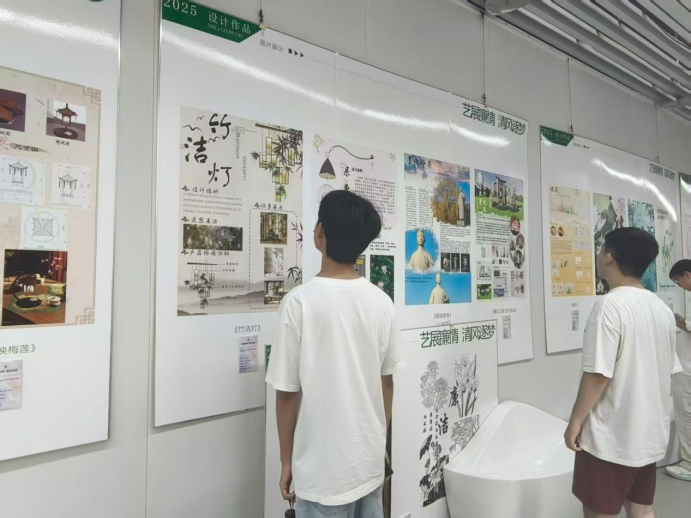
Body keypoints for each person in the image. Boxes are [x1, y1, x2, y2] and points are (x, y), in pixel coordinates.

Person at [266, 190, 400, 517]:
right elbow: (386, 383)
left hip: (321, 474)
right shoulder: (382, 302)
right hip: (369, 465)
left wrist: (286, 461)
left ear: (320, 233)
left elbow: (287, 394)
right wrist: (377, 442)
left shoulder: (298, 302)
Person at [565, 227, 682, 518]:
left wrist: (575, 421)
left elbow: (598, 375)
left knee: (599, 511)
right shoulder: (661, 308)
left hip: (611, 437)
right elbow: (668, 369)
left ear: (608, 257)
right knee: (643, 510)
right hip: (648, 435)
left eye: (601, 250)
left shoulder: (609, 305)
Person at [666, 260, 691, 481]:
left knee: (685, 415)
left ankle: (689, 464)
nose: (680, 286)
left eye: (677, 281)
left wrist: (677, 321)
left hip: (688, 369)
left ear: (687, 275)